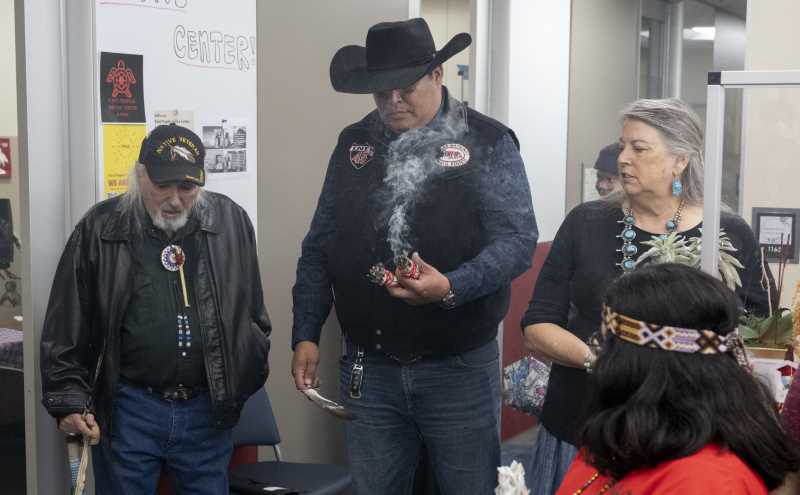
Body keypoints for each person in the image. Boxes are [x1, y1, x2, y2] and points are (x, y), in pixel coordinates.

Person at [291, 18, 538, 495]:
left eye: (404, 88)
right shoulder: (353, 144)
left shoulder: (487, 142)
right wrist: (305, 330)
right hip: (370, 366)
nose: (392, 102)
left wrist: (452, 286)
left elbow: (517, 241)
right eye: (380, 92)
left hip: (458, 369)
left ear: (438, 75)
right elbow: (320, 244)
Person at [521, 98, 772, 494]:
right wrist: (604, 361)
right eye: (622, 146)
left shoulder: (727, 233)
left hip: (693, 438)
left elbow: (756, 333)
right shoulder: (586, 222)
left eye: (639, 148)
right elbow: (537, 325)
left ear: (680, 160)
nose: (623, 159)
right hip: (587, 423)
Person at [40, 124, 271, 494]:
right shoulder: (99, 229)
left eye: (187, 187)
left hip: (207, 412)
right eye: (162, 185)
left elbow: (253, 315)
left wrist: (239, 385)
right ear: (140, 174)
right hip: (129, 409)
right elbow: (66, 325)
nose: (175, 199)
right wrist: (68, 399)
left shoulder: (231, 223)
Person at [556, 263, 800, 494]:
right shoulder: (622, 436)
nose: (600, 361)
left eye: (605, 345)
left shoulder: (706, 483)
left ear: (640, 364)